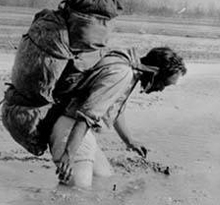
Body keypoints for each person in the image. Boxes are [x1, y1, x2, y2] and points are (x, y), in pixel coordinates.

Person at [48, 46, 187, 188]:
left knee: (104, 178)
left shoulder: (127, 68)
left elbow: (113, 108)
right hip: (68, 126)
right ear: (154, 72)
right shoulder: (121, 74)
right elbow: (86, 116)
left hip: (75, 126)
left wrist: (129, 141)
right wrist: (69, 155)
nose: (161, 89)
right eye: (164, 84)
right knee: (78, 191)